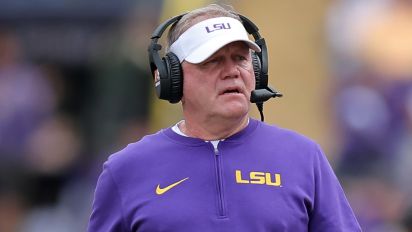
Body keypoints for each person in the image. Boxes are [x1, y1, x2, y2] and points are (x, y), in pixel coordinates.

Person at [88, 4, 362, 231]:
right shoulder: (125, 170)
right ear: (173, 78)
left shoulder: (304, 157)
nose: (232, 71)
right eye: (213, 61)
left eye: (241, 58)